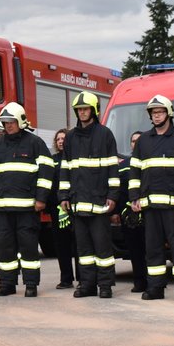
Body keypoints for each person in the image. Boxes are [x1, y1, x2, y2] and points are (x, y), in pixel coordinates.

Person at [128, 95, 174, 302]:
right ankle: (155, 288)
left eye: (160, 112)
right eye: (153, 113)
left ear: (168, 113)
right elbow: (135, 172)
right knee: (153, 249)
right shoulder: (143, 141)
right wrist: (134, 197)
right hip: (150, 207)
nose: (156, 116)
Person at [0, 102, 54, 297]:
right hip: (4, 209)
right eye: (5, 123)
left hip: (27, 209)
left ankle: (31, 284)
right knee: (5, 249)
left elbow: (47, 172)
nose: (8, 126)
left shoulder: (35, 143)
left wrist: (41, 199)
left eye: (11, 122)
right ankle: (7, 283)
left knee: (29, 247)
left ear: (21, 121)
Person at [60, 92, 119, 299]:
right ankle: (86, 285)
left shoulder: (105, 135)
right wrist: (64, 196)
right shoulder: (70, 137)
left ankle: (105, 285)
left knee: (103, 249)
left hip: (100, 203)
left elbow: (113, 168)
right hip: (78, 203)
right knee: (83, 250)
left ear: (93, 110)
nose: (82, 112)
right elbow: (65, 168)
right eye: (79, 110)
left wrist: (113, 195)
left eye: (85, 109)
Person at [114, 130, 146, 293]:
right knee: (134, 250)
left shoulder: (150, 162)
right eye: (133, 141)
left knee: (152, 249)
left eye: (139, 140)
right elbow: (118, 191)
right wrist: (118, 212)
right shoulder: (123, 165)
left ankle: (155, 281)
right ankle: (139, 282)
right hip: (129, 216)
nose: (135, 143)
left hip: (150, 213)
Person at [47, 128, 77, 289]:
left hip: (74, 207)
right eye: (58, 139)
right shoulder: (51, 160)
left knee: (79, 244)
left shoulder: (75, 159)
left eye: (63, 138)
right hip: (56, 209)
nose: (60, 141)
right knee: (61, 245)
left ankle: (83, 278)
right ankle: (66, 279)